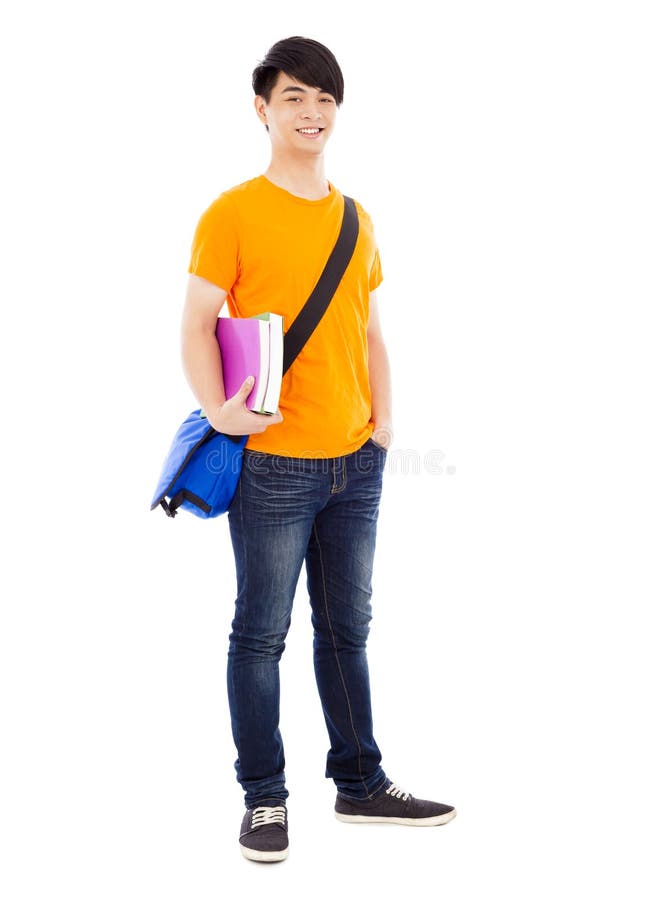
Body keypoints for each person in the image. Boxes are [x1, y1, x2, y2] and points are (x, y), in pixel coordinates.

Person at [180, 36, 456, 863]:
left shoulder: (355, 217)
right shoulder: (232, 211)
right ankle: (265, 800)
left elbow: (371, 330)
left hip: (357, 462)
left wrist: (384, 424)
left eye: (325, 99)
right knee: (259, 635)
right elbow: (195, 324)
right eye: (295, 96)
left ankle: (360, 784)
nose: (312, 112)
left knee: (347, 633)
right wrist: (218, 414)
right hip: (272, 465)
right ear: (262, 107)